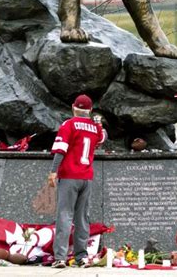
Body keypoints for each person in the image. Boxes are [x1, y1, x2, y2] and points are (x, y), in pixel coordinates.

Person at [47, 94, 107, 268]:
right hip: (86, 177)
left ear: (74, 108)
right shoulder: (94, 128)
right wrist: (98, 124)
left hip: (69, 176)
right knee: (82, 218)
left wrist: (53, 171)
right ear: (90, 110)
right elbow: (103, 138)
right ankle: (81, 257)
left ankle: (60, 257)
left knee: (64, 215)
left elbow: (60, 149)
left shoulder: (69, 124)